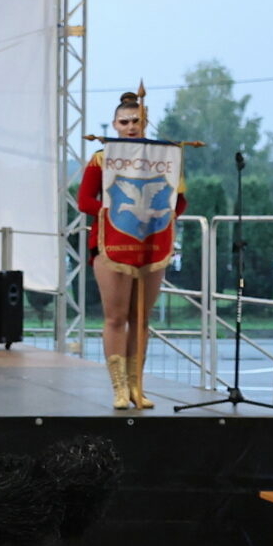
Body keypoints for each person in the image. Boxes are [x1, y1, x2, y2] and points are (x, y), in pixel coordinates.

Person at [77, 86, 187, 409]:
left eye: (136, 121)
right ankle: (119, 388)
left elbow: (179, 201)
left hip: (151, 244)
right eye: (124, 122)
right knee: (116, 317)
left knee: (141, 318)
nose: (130, 127)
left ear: (145, 122)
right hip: (111, 244)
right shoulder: (101, 158)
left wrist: (161, 216)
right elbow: (84, 200)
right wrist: (114, 214)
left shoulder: (165, 159)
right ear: (114, 125)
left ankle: (137, 386)